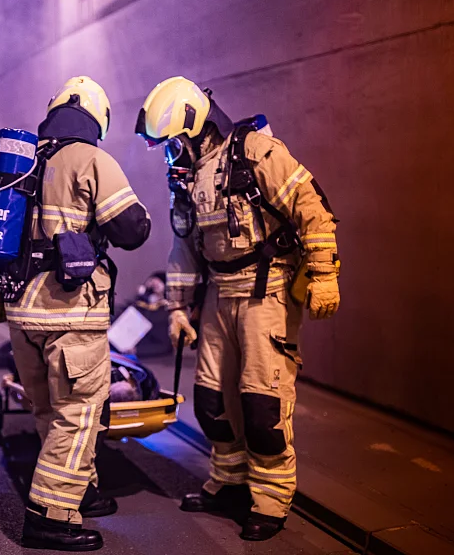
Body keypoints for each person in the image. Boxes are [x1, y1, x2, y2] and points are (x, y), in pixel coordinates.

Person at [136, 77, 341, 541]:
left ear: (196, 127)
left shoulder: (256, 153)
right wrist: (177, 308)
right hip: (218, 298)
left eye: (173, 145)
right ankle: (229, 483)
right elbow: (185, 245)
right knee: (211, 401)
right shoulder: (189, 177)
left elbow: (312, 207)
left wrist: (325, 274)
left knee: (262, 405)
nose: (171, 157)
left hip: (265, 294)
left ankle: (269, 500)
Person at [6, 76, 150, 551]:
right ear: (97, 118)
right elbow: (131, 229)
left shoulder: (24, 162)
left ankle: (77, 494)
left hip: (22, 312)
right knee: (79, 414)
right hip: (70, 312)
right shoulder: (90, 159)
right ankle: (48, 516)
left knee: (50, 409)